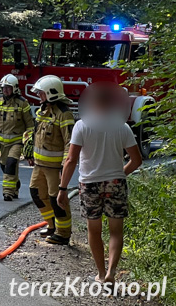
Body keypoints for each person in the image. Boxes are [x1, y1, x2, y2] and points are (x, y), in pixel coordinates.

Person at [57, 82, 142, 284]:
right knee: (116, 231)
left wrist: (62, 189)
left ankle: (101, 274)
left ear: (92, 102)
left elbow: (70, 160)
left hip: (89, 185)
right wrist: (120, 174)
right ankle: (112, 273)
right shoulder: (122, 126)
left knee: (94, 231)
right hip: (116, 184)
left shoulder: (82, 125)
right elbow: (137, 160)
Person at [28, 75, 75, 245]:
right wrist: (29, 150)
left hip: (54, 168)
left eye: (42, 93)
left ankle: (63, 234)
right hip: (39, 165)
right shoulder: (42, 111)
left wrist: (65, 164)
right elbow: (36, 134)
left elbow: (69, 142)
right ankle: (52, 225)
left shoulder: (64, 114)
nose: (39, 96)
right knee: (36, 194)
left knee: (57, 200)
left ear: (51, 93)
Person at [0, 74, 34, 201]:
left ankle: (8, 192)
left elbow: (30, 125)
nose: (5, 90)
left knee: (11, 164)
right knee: (5, 166)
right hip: (2, 143)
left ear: (15, 88)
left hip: (17, 141)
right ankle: (15, 184)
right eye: (4, 88)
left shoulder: (22, 103)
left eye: (8, 88)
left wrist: (28, 142)